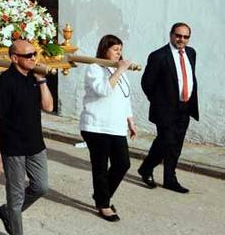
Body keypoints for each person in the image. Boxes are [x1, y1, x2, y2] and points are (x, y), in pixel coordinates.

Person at [0, 40, 53, 235]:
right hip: (13, 146)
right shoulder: (6, 82)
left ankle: (6, 212)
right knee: (15, 196)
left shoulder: (34, 78)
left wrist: (42, 81)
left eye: (35, 54)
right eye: (29, 55)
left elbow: (49, 107)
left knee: (41, 187)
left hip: (35, 144)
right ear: (15, 58)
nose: (34, 58)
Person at [79, 35, 138, 222]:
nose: (118, 53)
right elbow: (104, 90)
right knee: (101, 167)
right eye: (115, 49)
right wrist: (119, 71)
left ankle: (101, 196)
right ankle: (104, 204)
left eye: (120, 50)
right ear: (105, 49)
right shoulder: (94, 69)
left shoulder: (119, 71)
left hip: (116, 126)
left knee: (123, 164)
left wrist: (131, 121)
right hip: (96, 126)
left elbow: (124, 97)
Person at [138, 23, 198, 194]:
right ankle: (147, 168)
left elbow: (190, 77)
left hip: (185, 106)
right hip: (165, 108)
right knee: (167, 140)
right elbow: (147, 83)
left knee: (176, 144)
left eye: (185, 37)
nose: (182, 40)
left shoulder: (191, 53)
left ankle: (169, 179)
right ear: (171, 35)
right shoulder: (159, 56)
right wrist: (159, 102)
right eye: (178, 35)